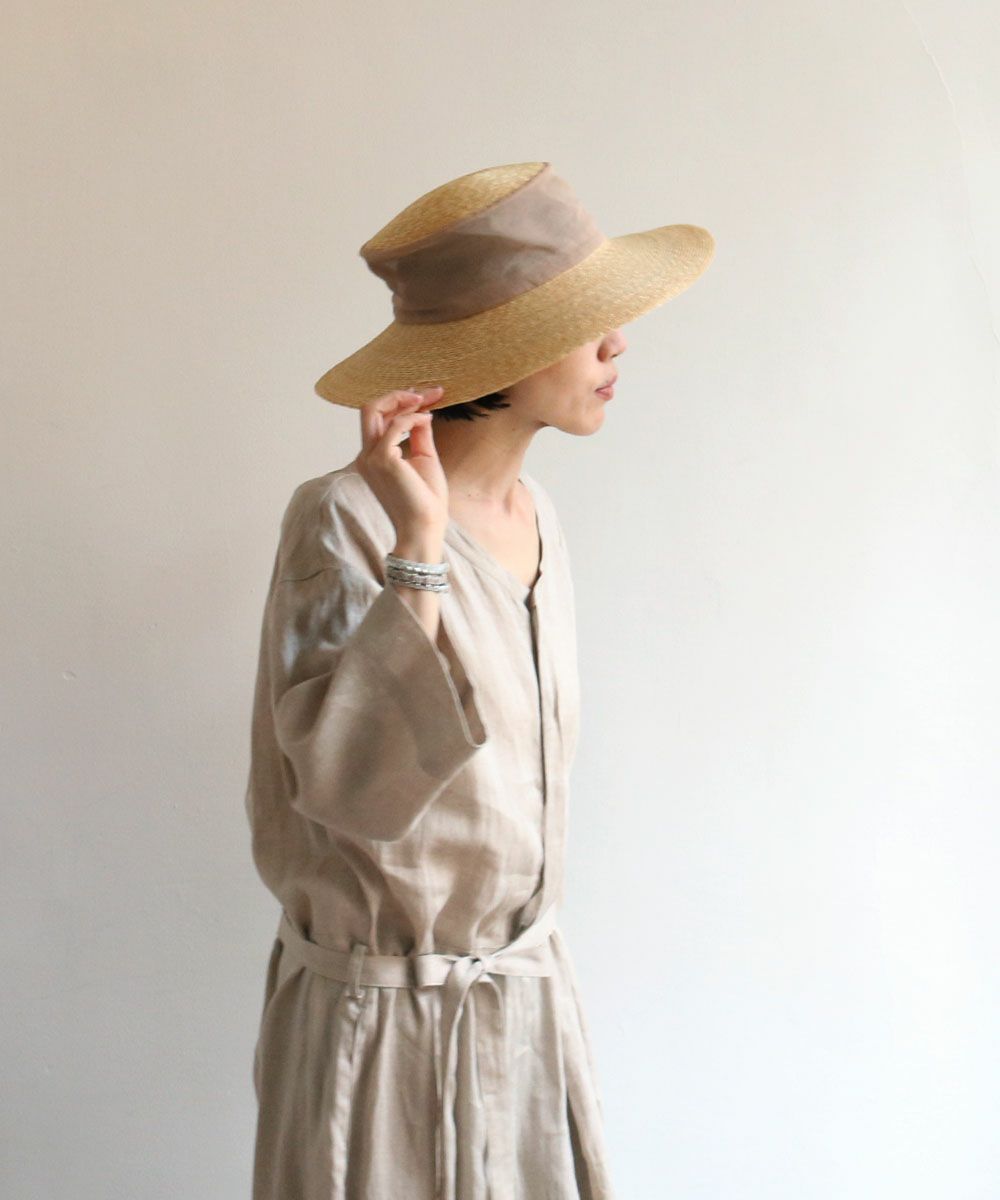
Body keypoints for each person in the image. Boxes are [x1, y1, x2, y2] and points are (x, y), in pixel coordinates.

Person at [245, 161, 715, 1200]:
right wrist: (417, 546)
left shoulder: (538, 515)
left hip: (527, 1013)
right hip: (382, 1038)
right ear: (496, 350)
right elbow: (350, 789)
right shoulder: (343, 520)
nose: (617, 343)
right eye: (582, 321)